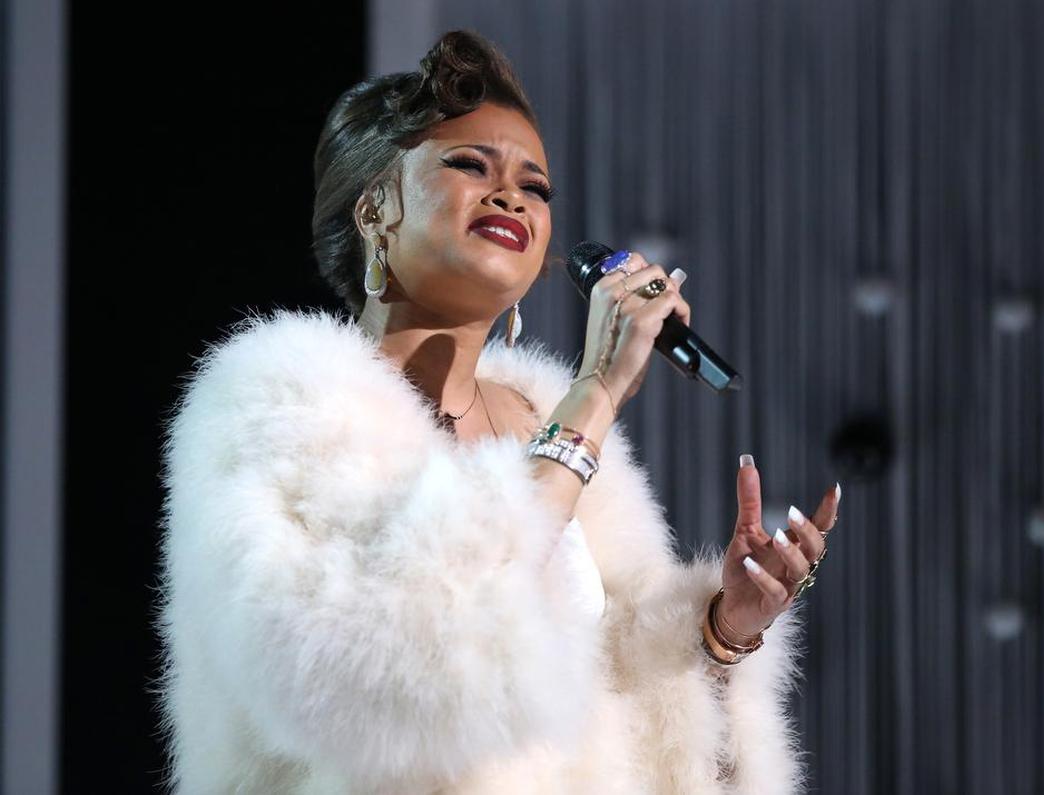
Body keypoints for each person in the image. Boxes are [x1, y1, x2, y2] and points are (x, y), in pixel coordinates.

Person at [154, 28, 840, 795]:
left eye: (535, 186)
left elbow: (643, 745)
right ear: (375, 208)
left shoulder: (542, 421)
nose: (512, 194)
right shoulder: (274, 410)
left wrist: (720, 633)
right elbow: (390, 687)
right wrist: (595, 395)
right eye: (469, 165)